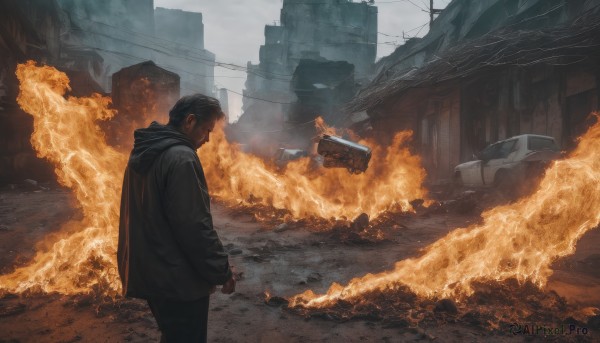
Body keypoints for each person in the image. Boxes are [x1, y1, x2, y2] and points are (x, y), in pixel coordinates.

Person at [117, 94, 235, 343]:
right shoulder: (181, 157)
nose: (208, 139)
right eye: (206, 130)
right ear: (190, 121)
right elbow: (194, 226)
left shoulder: (145, 150)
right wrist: (221, 270)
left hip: (152, 272)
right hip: (177, 280)